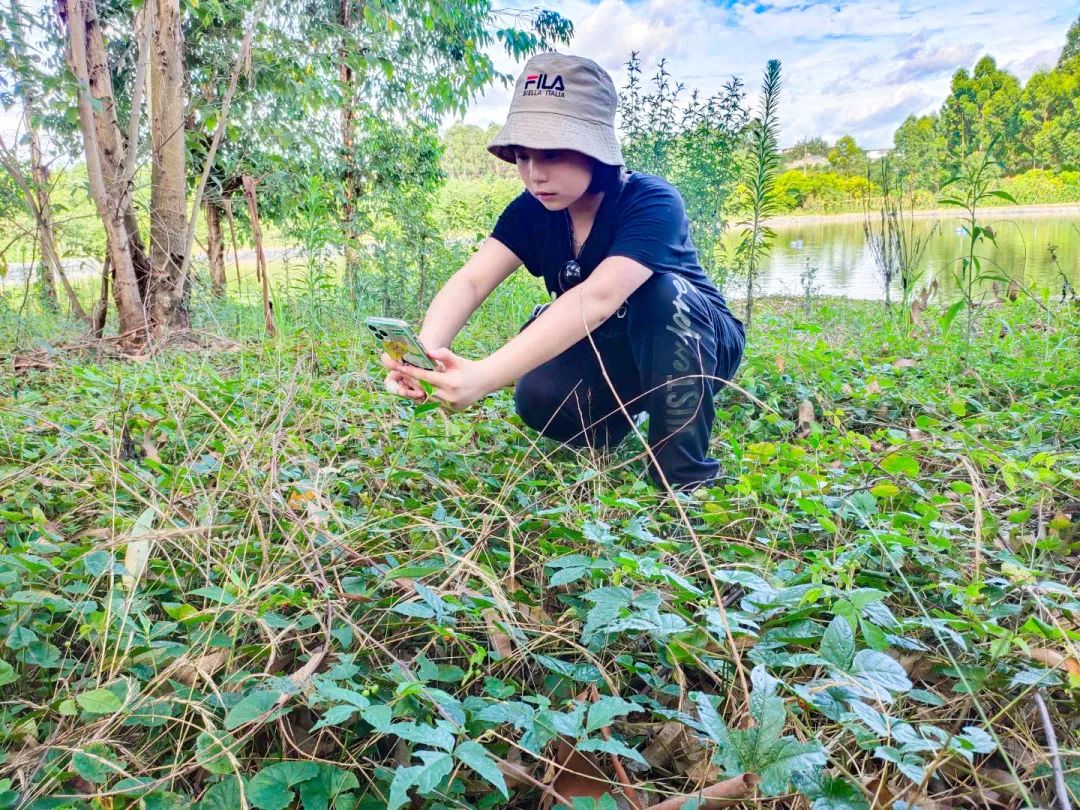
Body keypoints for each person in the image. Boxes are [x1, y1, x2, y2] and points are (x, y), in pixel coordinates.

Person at [383, 52, 745, 491]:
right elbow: (472, 280)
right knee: (538, 396)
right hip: (612, 345)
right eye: (522, 156)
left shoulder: (651, 201)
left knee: (662, 295)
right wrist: (427, 353)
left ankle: (683, 480)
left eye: (552, 153)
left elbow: (598, 298)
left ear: (594, 147)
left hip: (691, 336)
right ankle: (620, 422)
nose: (535, 175)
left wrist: (483, 375)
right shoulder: (532, 211)